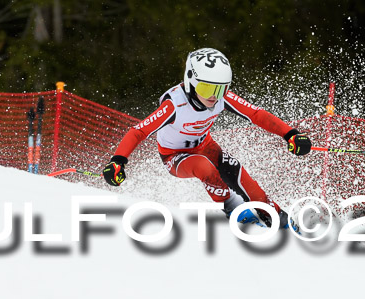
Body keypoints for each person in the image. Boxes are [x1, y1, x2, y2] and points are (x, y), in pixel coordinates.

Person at [102, 48, 312, 229]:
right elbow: (138, 131)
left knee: (242, 178)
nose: (214, 96)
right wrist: (118, 162)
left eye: (221, 88)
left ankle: (279, 219)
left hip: (206, 146)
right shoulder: (174, 105)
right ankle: (233, 208)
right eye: (207, 88)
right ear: (191, 82)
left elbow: (256, 114)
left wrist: (290, 134)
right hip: (175, 157)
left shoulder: (221, 97)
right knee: (205, 168)